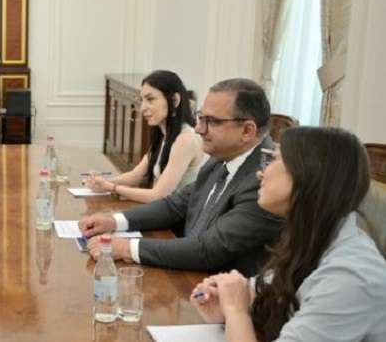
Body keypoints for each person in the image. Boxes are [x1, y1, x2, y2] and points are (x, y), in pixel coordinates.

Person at [191, 127, 386, 341]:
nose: (260, 173)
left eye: (273, 160)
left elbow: (240, 306)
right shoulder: (309, 238)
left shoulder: (350, 277)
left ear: (308, 174)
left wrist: (236, 312)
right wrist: (225, 301)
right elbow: (257, 294)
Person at [80, 78, 283, 276]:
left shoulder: (267, 179)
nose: (199, 129)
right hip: (192, 276)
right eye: (200, 117)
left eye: (212, 121)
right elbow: (176, 205)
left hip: (219, 288)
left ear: (247, 131)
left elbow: (208, 250)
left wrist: (127, 248)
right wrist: (114, 221)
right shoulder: (222, 157)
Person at [85, 70, 204, 203]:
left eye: (150, 99)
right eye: (142, 100)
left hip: (178, 214)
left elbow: (158, 196)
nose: (142, 108)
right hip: (163, 210)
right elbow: (136, 175)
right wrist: (102, 182)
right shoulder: (163, 134)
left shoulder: (186, 140)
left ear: (175, 100)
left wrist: (111, 187)